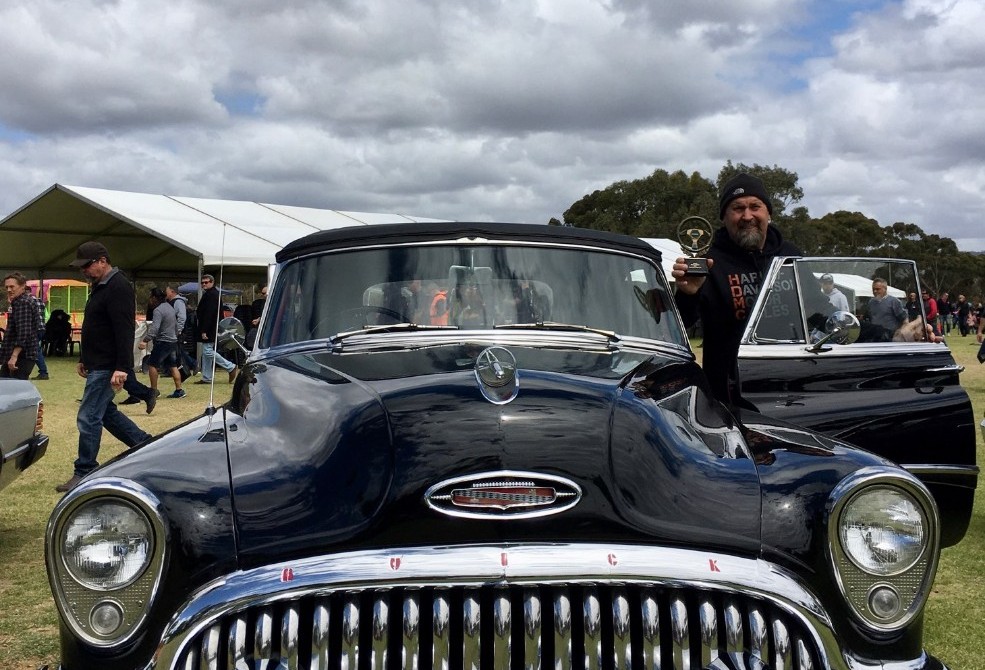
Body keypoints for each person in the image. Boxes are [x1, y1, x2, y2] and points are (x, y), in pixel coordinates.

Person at [672, 172, 800, 405]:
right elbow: (681, 325)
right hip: (729, 395)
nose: (747, 216)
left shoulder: (790, 255)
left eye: (755, 206)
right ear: (724, 217)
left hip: (790, 385)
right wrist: (688, 294)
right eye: (738, 208)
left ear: (768, 213)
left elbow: (816, 313)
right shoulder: (708, 262)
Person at [57, 241, 151, 493]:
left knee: (88, 417)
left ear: (102, 260)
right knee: (105, 413)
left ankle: (85, 470)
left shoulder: (117, 286)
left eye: (87, 266)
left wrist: (122, 367)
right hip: (98, 363)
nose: (84, 271)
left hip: (109, 365)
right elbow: (96, 327)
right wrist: (84, 359)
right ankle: (144, 444)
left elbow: (123, 330)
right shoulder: (100, 286)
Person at [138, 288, 185, 399]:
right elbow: (175, 325)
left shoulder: (158, 310)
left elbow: (155, 328)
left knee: (152, 364)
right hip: (173, 340)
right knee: (173, 365)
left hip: (163, 341)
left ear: (154, 298)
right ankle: (179, 390)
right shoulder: (170, 307)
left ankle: (153, 391)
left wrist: (145, 340)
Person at [195, 274, 238, 384]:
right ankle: (207, 377)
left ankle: (230, 367)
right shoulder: (211, 294)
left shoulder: (212, 295)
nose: (204, 284)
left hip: (210, 328)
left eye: (206, 282)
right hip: (211, 327)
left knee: (208, 351)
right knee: (206, 353)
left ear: (212, 282)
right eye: (202, 282)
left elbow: (209, 314)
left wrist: (204, 330)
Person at [1, 272, 40, 379]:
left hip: (22, 355)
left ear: (22, 286)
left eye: (12, 286)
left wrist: (14, 356)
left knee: (13, 390)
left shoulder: (22, 303)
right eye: (7, 287)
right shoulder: (19, 301)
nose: (9, 290)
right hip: (19, 354)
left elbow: (24, 332)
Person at [165, 284, 197, 377]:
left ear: (172, 292)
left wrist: (178, 330)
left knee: (177, 350)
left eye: (167, 291)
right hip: (173, 330)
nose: (165, 293)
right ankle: (173, 370)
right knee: (176, 350)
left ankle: (193, 363)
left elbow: (182, 317)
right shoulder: (171, 302)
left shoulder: (178, 302)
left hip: (178, 331)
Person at [28, 285, 50, 379]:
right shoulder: (40, 301)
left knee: (36, 350)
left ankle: (43, 372)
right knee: (35, 349)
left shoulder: (27, 301)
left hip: (33, 329)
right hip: (41, 328)